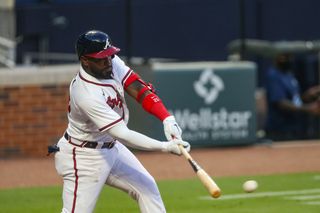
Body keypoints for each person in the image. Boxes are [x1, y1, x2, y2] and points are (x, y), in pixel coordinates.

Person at [53, 30, 191, 213]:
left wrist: (167, 118)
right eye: (101, 59)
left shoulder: (110, 63)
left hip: (110, 147)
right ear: (85, 60)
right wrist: (165, 147)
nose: (108, 61)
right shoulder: (86, 93)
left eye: (109, 56)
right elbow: (123, 134)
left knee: (147, 188)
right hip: (84, 156)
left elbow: (137, 88)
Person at [265, 53, 320, 141]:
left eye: (289, 57)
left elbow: (295, 100)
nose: (287, 60)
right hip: (279, 130)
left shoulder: (289, 74)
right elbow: (281, 103)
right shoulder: (273, 75)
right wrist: (309, 108)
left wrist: (308, 95)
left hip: (294, 128)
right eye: (283, 57)